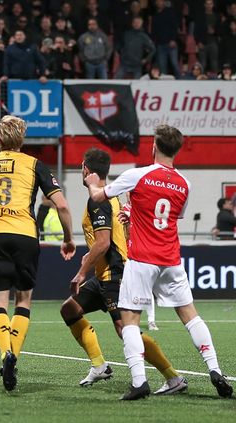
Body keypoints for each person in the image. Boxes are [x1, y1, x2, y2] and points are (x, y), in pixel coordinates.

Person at [85, 124, 233, 400]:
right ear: (176, 150)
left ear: (154, 147)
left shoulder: (137, 175)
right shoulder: (185, 184)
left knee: (130, 319)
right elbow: (167, 216)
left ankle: (139, 382)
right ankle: (215, 369)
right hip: (171, 259)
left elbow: (98, 196)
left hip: (142, 259)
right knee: (191, 316)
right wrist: (134, 214)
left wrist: (93, 181)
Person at [62, 148, 185, 393]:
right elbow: (117, 237)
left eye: (81, 167)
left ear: (86, 169)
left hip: (115, 275)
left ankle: (173, 378)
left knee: (125, 330)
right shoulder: (111, 197)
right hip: (105, 275)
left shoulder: (98, 201)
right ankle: (100, 366)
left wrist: (81, 271)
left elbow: (103, 242)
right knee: (70, 309)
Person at [0, 115, 76, 391]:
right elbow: (62, 206)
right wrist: (68, 238)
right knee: (23, 300)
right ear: (22, 139)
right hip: (26, 235)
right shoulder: (35, 164)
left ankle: (6, 353)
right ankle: (13, 353)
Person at [150, 0, 181, 78]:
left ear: (164, 2)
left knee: (174, 64)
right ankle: (165, 82)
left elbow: (175, 26)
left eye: (160, 1)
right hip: (160, 44)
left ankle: (180, 80)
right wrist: (154, 41)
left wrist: (173, 39)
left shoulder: (170, 12)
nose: (159, 3)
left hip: (171, 43)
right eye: (157, 1)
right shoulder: (155, 15)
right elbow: (154, 31)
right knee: (162, 66)